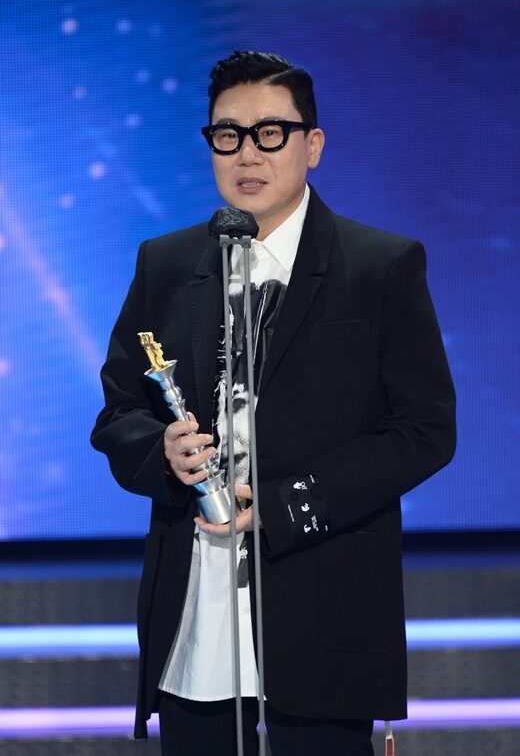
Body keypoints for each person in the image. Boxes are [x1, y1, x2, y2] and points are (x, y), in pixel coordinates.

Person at [91, 50, 456, 756]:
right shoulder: (167, 264)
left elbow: (424, 431)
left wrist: (287, 505)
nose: (247, 153)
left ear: (312, 144)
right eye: (227, 134)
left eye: (269, 132)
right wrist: (161, 452)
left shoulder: (379, 266)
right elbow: (118, 412)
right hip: (195, 609)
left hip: (322, 600)